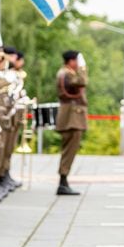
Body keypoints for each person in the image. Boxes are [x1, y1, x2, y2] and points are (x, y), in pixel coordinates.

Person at [55, 50, 86, 195]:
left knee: (69, 150)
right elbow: (82, 82)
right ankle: (63, 181)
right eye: (77, 61)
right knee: (69, 150)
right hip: (71, 118)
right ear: (71, 61)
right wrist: (83, 69)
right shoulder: (66, 73)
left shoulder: (66, 72)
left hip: (72, 116)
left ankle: (64, 180)